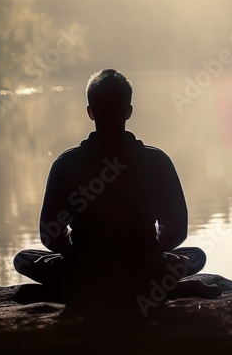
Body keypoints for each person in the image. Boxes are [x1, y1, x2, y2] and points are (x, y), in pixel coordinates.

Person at [14, 68, 218, 305]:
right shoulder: (157, 161)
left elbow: (50, 236)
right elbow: (176, 231)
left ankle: (76, 288)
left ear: (90, 113)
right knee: (195, 256)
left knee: (23, 259)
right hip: (144, 271)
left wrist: (77, 253)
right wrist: (147, 252)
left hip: (84, 271)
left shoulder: (66, 163)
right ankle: (151, 285)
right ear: (128, 111)